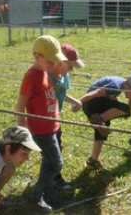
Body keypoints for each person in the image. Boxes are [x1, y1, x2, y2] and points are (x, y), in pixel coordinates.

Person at [16, 35, 67, 211]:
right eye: (50, 61)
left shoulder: (45, 72)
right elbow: (20, 106)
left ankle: (45, 187)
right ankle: (35, 196)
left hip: (52, 127)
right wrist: (22, 131)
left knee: (48, 161)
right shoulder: (31, 76)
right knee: (56, 164)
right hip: (41, 131)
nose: (54, 65)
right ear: (37, 57)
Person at [79, 74, 131, 170]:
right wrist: (78, 102)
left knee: (102, 130)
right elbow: (97, 92)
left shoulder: (120, 86)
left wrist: (119, 109)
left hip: (96, 104)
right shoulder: (115, 86)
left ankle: (93, 160)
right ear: (129, 86)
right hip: (90, 103)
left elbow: (111, 97)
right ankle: (99, 118)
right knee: (126, 109)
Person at [48, 43, 85, 190]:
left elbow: (62, 93)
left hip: (56, 117)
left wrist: (75, 101)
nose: (71, 69)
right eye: (70, 66)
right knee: (52, 148)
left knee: (57, 146)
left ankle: (52, 175)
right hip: (46, 119)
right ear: (60, 61)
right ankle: (54, 177)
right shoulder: (48, 76)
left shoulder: (64, 76)